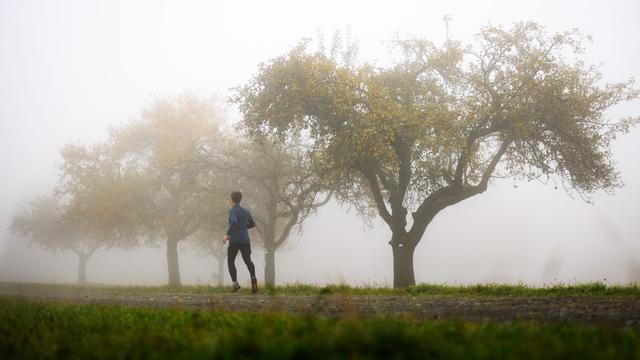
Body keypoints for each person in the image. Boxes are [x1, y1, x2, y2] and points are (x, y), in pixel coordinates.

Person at [223, 191, 258, 293]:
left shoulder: (232, 211)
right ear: (240, 199)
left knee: (230, 261)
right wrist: (243, 227)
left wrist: (227, 234)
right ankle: (253, 278)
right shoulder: (246, 211)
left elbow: (234, 222)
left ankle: (235, 283)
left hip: (234, 240)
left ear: (232, 200)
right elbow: (252, 224)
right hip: (245, 240)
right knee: (248, 260)